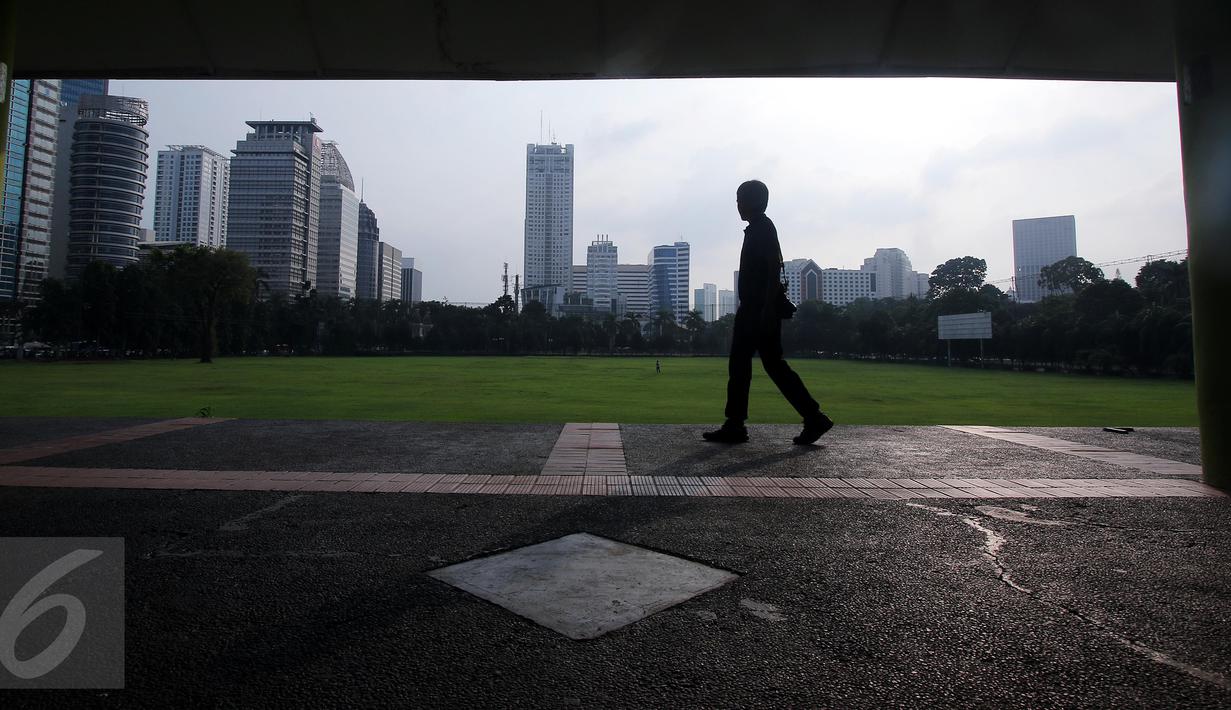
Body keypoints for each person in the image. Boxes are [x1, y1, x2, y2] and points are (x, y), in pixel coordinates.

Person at [703, 180, 833, 445]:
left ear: (751, 202)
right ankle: (813, 417)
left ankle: (736, 425)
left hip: (757, 309)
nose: (737, 204)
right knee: (771, 365)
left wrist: (765, 312)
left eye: (740, 199)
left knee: (742, 365)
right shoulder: (759, 228)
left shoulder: (761, 229)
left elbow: (772, 271)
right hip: (760, 308)